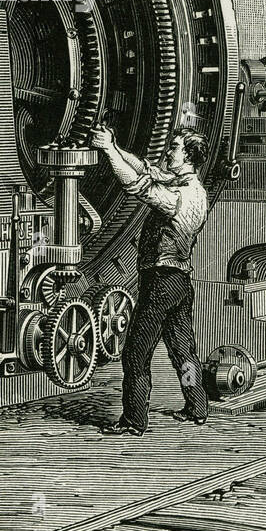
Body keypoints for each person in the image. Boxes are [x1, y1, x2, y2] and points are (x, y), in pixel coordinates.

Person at [90, 123, 211, 435]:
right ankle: (197, 407)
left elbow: (137, 186)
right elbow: (145, 169)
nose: (169, 151)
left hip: (160, 281)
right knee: (183, 352)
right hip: (180, 282)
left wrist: (106, 151)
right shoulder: (189, 185)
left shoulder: (182, 196)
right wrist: (115, 147)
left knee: (135, 354)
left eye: (174, 148)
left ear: (189, 157)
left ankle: (133, 420)